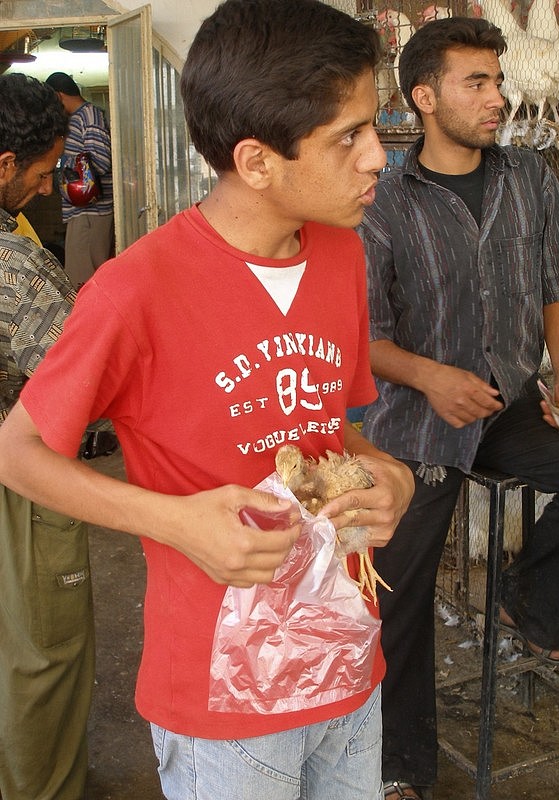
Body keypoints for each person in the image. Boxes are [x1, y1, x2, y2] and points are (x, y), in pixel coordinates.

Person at [0, 3, 415, 799]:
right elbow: (18, 454)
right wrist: (176, 522)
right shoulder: (135, 291)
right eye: (349, 136)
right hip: (223, 695)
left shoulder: (341, 255)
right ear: (256, 161)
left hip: (343, 659)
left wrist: (385, 472)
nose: (378, 159)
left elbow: (326, 430)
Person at [358, 16, 559, 800]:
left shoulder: (529, 178)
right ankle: (401, 767)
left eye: (497, 80)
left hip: (505, 404)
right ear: (426, 97)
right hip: (416, 421)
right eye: (478, 82)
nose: (499, 97)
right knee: (395, 600)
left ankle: (528, 604)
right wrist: (429, 377)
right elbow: (361, 335)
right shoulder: (383, 201)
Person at [0, 73, 94, 800]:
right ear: (5, 164)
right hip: (18, 488)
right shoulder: (15, 266)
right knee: (42, 658)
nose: (43, 188)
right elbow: (83, 378)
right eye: (40, 172)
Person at [45, 71, 114, 289]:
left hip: (91, 213)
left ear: (58, 96)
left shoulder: (89, 116)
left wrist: (70, 168)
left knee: (83, 282)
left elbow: (101, 160)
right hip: (83, 214)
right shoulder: (78, 118)